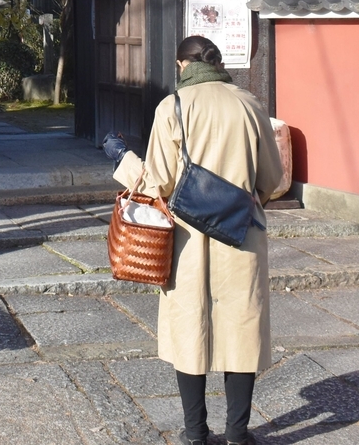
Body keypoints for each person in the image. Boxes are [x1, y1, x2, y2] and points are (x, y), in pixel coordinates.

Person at [103, 35, 283, 445]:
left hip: (186, 236)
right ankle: (238, 434)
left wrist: (122, 159)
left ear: (183, 65)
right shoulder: (249, 103)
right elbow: (273, 180)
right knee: (242, 328)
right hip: (242, 232)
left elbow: (158, 183)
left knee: (190, 327)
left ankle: (195, 432)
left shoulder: (173, 107)